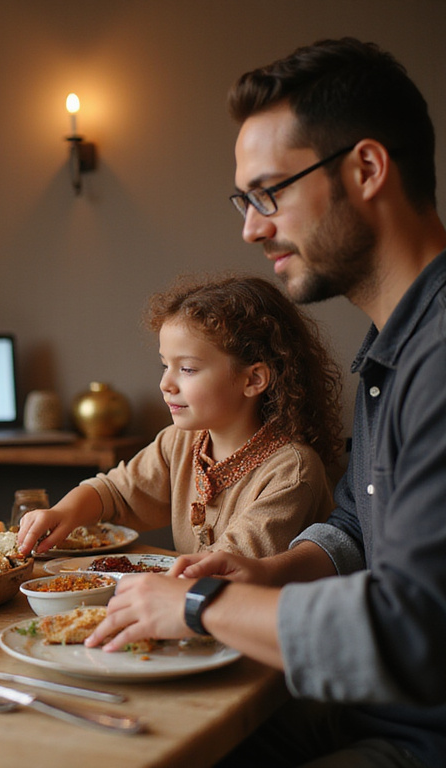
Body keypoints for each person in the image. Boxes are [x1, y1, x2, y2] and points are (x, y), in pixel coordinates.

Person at [87, 39, 446, 768]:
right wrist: (264, 574)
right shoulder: (394, 346)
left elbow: (412, 632)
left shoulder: (439, 356)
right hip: (356, 708)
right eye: (243, 201)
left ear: (367, 170)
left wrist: (196, 606)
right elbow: (352, 528)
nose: (251, 227)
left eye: (268, 193)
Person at [18, 274, 341, 559]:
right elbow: (117, 492)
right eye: (165, 365)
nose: (165, 384)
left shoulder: (292, 472)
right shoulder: (182, 440)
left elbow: (229, 569)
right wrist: (63, 512)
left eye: (187, 369)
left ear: (253, 379)